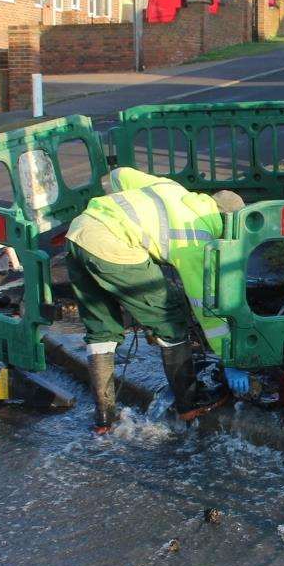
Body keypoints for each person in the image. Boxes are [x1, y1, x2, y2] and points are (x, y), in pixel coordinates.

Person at [62, 167, 251, 432]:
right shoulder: (197, 240)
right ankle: (189, 405)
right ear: (227, 223)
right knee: (171, 320)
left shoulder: (172, 189)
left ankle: (104, 420)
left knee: (101, 331)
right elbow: (205, 309)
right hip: (113, 245)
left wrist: (124, 216)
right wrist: (231, 359)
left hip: (80, 231)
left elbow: (120, 175)